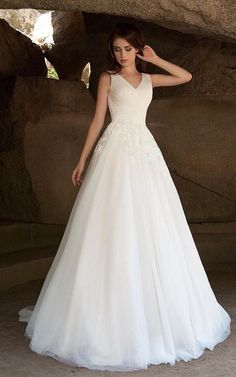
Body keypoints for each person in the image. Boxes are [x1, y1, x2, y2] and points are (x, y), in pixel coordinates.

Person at [18, 22, 231, 372]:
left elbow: (186, 77)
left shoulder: (149, 79)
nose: (122, 55)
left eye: (128, 49)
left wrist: (157, 58)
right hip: (114, 153)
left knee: (153, 223)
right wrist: (82, 159)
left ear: (138, 49)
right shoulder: (108, 79)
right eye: (117, 49)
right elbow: (97, 120)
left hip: (145, 154)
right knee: (110, 223)